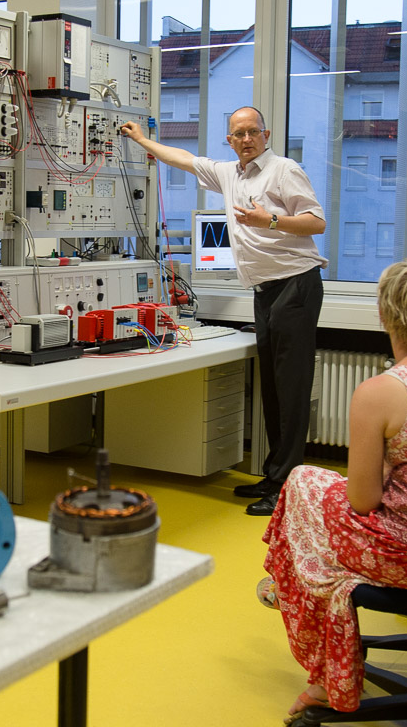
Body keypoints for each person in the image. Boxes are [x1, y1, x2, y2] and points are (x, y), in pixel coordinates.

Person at [260, 258, 407, 723]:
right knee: (312, 500)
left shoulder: (382, 391)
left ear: (385, 315)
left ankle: (318, 657)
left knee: (300, 486)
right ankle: (288, 583)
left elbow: (363, 501)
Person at [121, 107, 327, 516]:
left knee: (291, 391)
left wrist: (270, 221)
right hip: (266, 291)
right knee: (271, 387)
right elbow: (183, 158)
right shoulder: (229, 173)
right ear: (229, 141)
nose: (247, 138)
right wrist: (143, 141)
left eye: (253, 132)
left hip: (296, 286)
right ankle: (274, 476)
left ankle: (287, 488)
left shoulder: (283, 169)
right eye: (238, 134)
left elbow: (316, 222)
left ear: (265, 135)